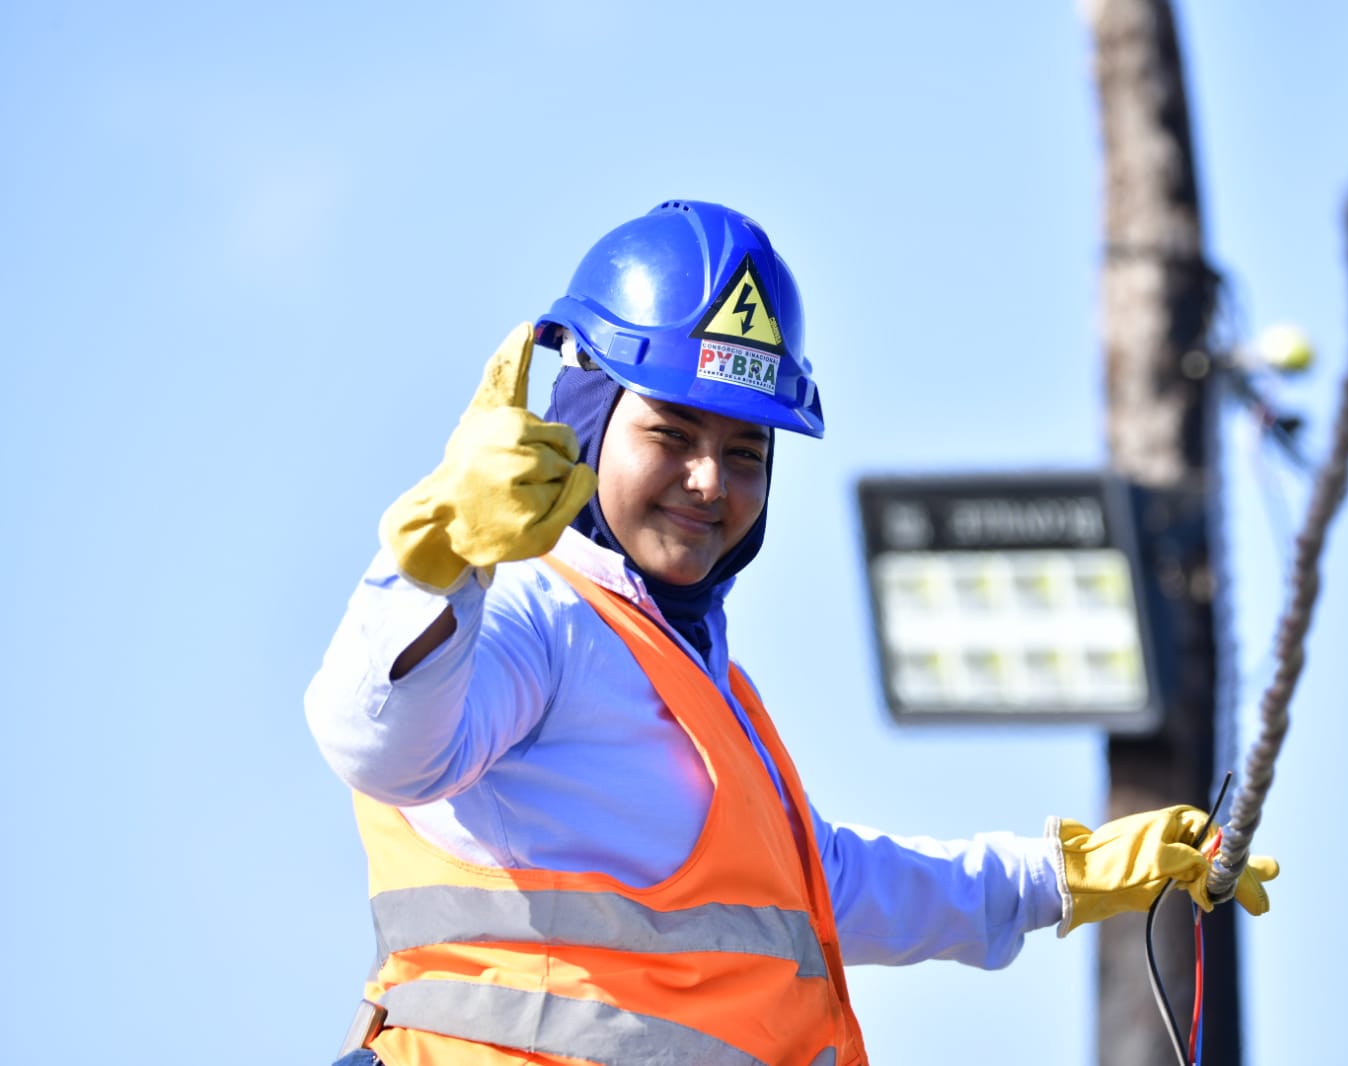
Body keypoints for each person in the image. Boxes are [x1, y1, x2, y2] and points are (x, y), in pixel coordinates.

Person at [306, 199, 1278, 1066]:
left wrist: (1061, 877)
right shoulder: (533, 613)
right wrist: (439, 560)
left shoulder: (696, 681)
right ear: (590, 419)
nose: (708, 483)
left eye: (743, 450)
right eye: (673, 435)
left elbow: (831, 888)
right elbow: (379, 744)